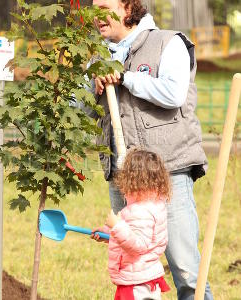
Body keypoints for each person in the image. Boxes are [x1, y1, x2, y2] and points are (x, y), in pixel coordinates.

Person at [89, 0, 214, 299]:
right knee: (133, 265)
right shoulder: (97, 58)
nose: (95, 16)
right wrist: (92, 91)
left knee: (185, 269)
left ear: (128, 7)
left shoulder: (168, 43)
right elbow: (82, 111)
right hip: (124, 176)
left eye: (103, 7)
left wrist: (125, 78)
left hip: (166, 172)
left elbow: (173, 93)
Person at [92, 148, 171, 300]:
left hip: (137, 284)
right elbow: (135, 235)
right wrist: (109, 234)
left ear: (132, 179)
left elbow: (138, 245)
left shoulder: (140, 211)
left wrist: (117, 226)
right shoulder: (154, 203)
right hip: (143, 276)